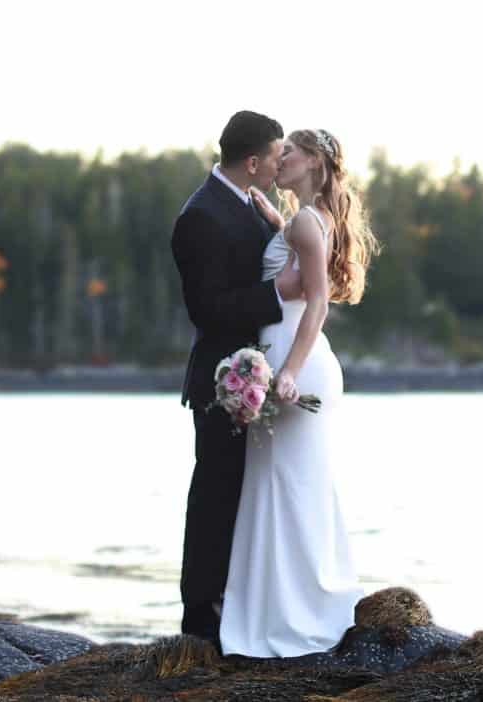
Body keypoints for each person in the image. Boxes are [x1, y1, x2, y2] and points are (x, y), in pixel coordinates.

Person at [217, 128, 380, 657]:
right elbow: (294, 253)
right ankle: (287, 612)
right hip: (291, 358)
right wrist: (274, 222)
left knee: (287, 492)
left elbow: (316, 304)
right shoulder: (304, 219)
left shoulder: (309, 222)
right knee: (285, 490)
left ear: (312, 161)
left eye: (288, 152)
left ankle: (294, 619)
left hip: (296, 363)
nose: (277, 159)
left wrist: (286, 371)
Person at [170, 110, 304, 651]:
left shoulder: (248, 201)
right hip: (226, 379)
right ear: (253, 161)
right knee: (216, 496)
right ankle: (200, 617)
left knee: (249, 497)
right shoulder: (200, 215)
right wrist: (282, 293)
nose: (280, 165)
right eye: (276, 157)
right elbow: (207, 308)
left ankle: (244, 607)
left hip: (261, 370)